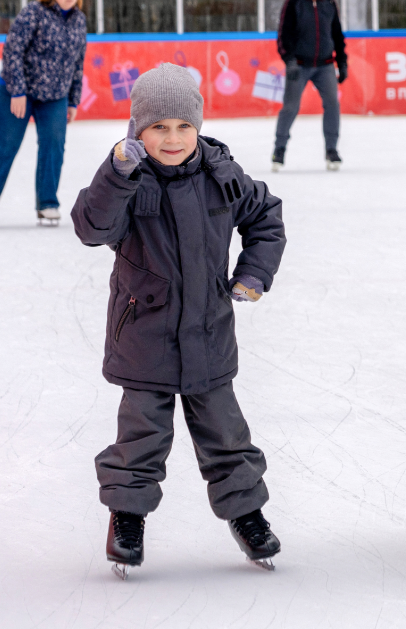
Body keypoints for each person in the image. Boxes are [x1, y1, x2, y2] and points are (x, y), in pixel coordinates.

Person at [71, 64, 287, 577]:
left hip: (209, 333)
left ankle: (248, 516)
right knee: (140, 437)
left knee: (226, 435)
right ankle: (126, 519)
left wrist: (253, 273)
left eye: (183, 127)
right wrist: (116, 173)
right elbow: (90, 226)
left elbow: (266, 219)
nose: (172, 139)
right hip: (144, 336)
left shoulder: (222, 176)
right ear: (137, 132)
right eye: (158, 128)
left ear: (198, 126)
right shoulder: (128, 179)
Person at [0, 0, 87, 228]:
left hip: (55, 96)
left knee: (54, 146)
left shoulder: (79, 20)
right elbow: (12, 51)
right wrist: (18, 91)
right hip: (18, 91)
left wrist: (72, 100)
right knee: (6, 146)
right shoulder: (34, 13)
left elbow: (77, 64)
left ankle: (47, 204)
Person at [273, 0, 347, 172]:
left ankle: (331, 150)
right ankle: (279, 149)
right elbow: (282, 36)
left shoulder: (329, 3)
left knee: (332, 103)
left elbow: (337, 36)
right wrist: (290, 62)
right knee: (291, 107)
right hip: (300, 65)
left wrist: (341, 63)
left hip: (325, 65)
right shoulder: (293, 3)